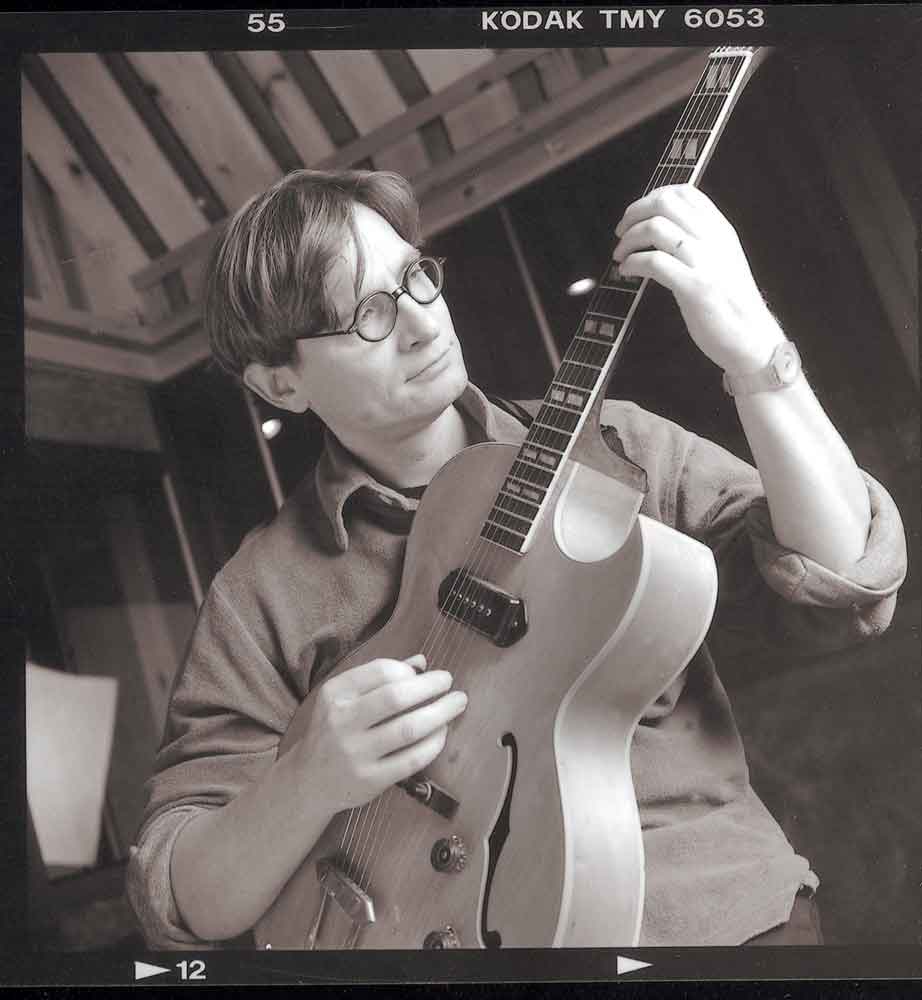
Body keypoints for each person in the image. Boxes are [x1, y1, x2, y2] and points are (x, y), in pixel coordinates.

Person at [126, 168, 906, 949]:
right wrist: (308, 777)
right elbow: (181, 899)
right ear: (280, 383)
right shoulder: (260, 592)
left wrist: (757, 353)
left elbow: (845, 581)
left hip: (722, 926)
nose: (423, 324)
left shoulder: (618, 446)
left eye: (416, 278)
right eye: (368, 315)